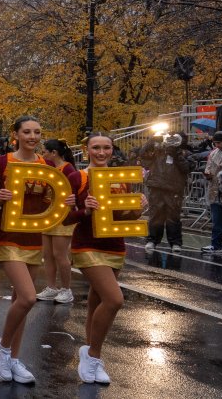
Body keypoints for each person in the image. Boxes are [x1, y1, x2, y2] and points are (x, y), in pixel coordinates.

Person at [68, 133, 147, 384]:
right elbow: (63, 218)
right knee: (114, 300)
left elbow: (125, 217)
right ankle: (93, 356)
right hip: (86, 245)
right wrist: (85, 210)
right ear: (86, 150)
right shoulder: (77, 177)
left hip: (115, 246)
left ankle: (88, 350)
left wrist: (138, 207)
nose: (101, 153)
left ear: (112, 150)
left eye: (106, 148)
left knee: (98, 300)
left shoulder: (120, 178)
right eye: (96, 148)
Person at [0, 116, 53, 385]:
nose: (33, 137)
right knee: (28, 297)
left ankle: (13, 357)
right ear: (16, 134)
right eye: (27, 132)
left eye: (37, 132)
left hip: (33, 237)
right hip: (8, 236)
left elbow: (51, 198)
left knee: (20, 302)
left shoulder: (45, 164)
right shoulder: (2, 162)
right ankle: (2, 347)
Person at [37, 139, 77, 304]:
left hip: (63, 216)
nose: (43, 154)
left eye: (45, 151)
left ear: (54, 153)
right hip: (49, 215)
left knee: (59, 254)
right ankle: (51, 287)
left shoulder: (67, 168)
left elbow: (72, 191)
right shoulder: (51, 168)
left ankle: (66, 289)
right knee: (47, 255)